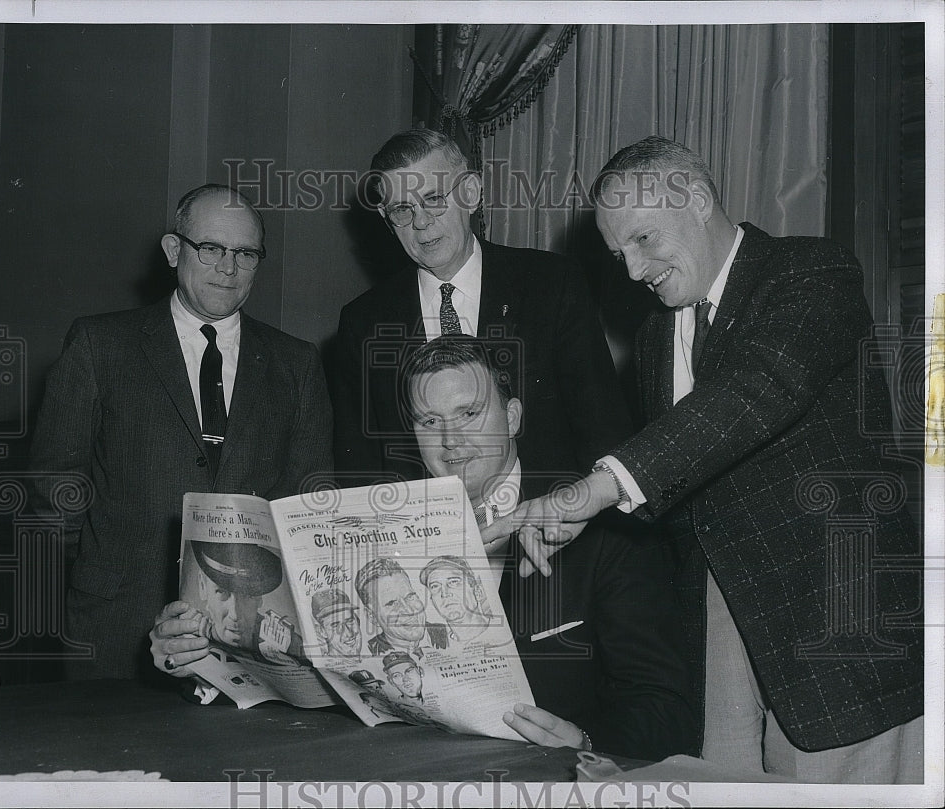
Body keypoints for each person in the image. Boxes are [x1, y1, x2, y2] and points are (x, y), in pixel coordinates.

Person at [484, 136, 923, 782]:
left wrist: (591, 492)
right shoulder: (658, 334)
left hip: (839, 638)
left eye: (642, 241)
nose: (632, 272)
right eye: (617, 254)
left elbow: (754, 391)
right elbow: (676, 484)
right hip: (722, 640)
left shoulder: (810, 273)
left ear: (694, 196)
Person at [31, 184, 333, 680]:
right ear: (174, 251)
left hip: (251, 640)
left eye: (245, 253)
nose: (228, 268)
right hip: (117, 629)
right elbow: (52, 492)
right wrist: (110, 575)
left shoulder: (296, 363)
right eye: (210, 248)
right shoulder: (100, 344)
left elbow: (309, 502)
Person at [404, 334, 697, 761]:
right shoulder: (398, 535)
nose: (450, 440)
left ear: (512, 416)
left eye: (469, 413)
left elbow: (668, 711)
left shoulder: (602, 530)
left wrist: (586, 743)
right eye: (429, 421)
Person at [331, 128, 633, 499]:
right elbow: (358, 471)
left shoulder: (550, 285)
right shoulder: (362, 323)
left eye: (434, 199)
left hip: (546, 537)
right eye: (402, 210)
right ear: (386, 217)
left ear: (470, 193)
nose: (421, 222)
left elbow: (603, 434)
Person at [190, 540, 304, 662]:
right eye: (221, 592)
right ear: (203, 586)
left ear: (260, 597)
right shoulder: (189, 639)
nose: (235, 615)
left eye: (247, 595)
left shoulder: (290, 644)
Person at [353, 557, 448, 656]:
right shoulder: (367, 652)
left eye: (410, 597)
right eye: (392, 603)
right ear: (372, 616)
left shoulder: (448, 633)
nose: (408, 610)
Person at [418, 555, 505, 644]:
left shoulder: (504, 630)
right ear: (432, 601)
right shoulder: (435, 646)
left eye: (453, 582)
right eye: (435, 586)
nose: (445, 594)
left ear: (478, 592)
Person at [311, 587, 363, 660]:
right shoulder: (324, 669)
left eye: (350, 621)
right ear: (322, 631)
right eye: (335, 625)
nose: (349, 633)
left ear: (357, 620)